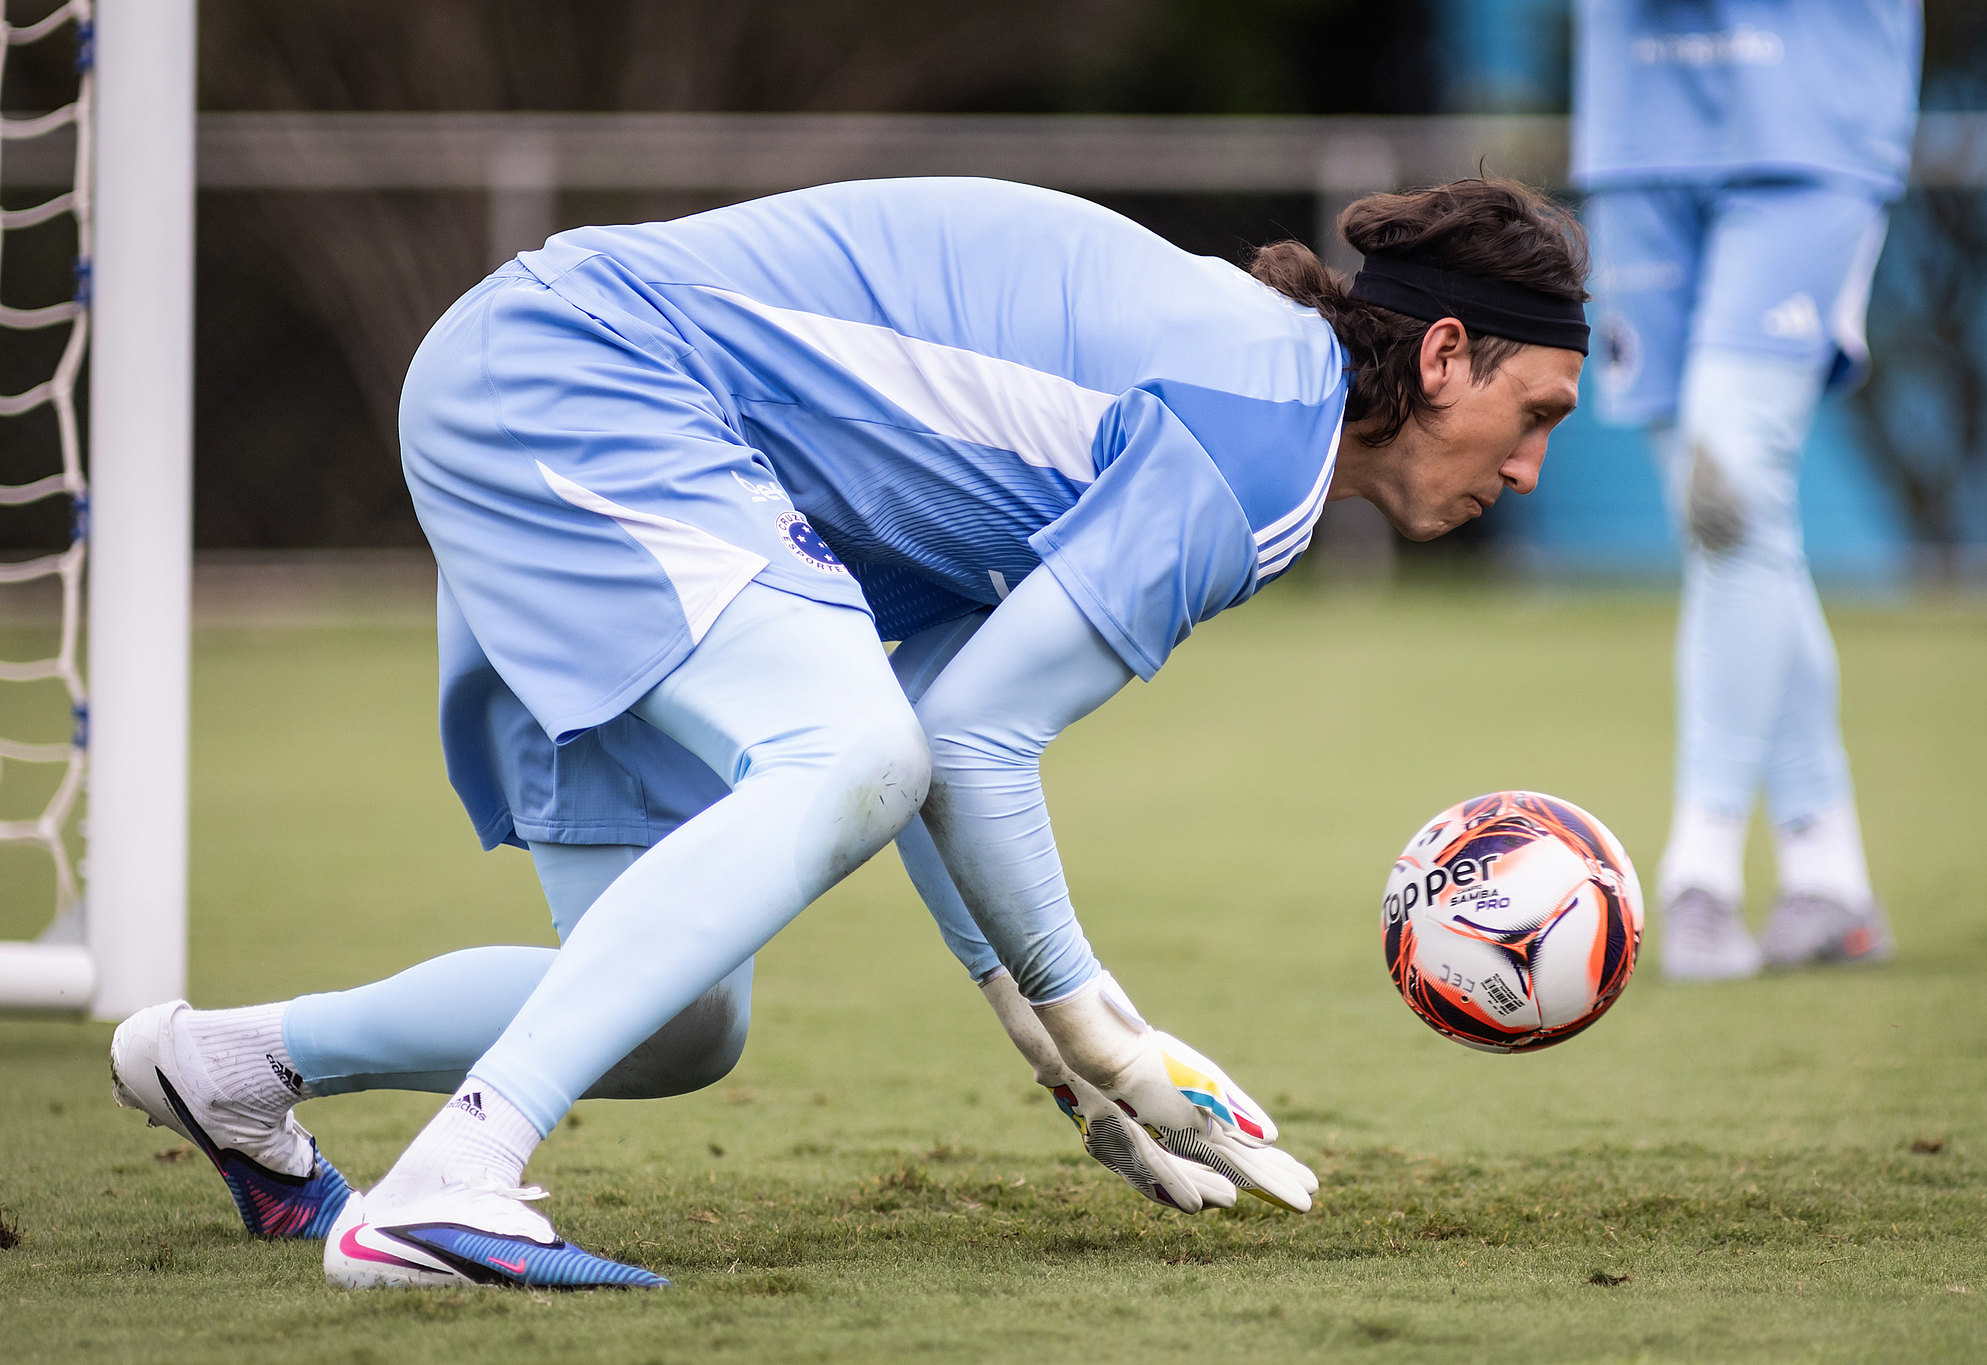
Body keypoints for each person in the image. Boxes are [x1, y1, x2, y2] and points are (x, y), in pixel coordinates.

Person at [108, 176, 1588, 1288]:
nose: (1527, 470)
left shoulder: (1252, 388)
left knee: (679, 1020)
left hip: (555, 395)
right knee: (844, 757)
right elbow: (956, 750)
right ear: (1443, 355)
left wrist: (1058, 1050)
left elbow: (941, 716)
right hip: (590, 384)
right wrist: (1099, 1026)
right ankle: (453, 1182)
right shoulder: (1260, 439)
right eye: (1536, 414)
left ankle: (235, 1066)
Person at [1573, 0, 1921, 981]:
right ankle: (1828, 876)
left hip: (1805, 120)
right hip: (1637, 131)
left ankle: (1701, 872)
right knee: (1724, 523)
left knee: (1728, 490)